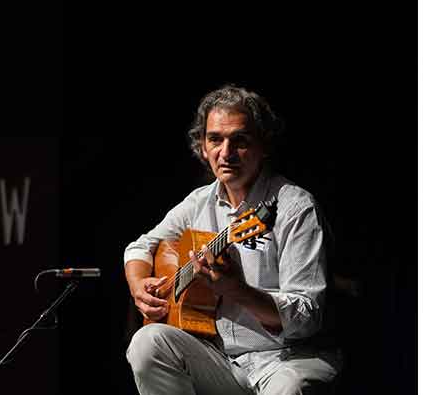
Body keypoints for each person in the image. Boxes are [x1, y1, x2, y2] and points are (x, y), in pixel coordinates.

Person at [124, 85, 342, 395]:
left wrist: (237, 291)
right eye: (215, 139)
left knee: (290, 387)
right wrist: (138, 286)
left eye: (239, 141)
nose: (225, 153)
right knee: (147, 342)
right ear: (203, 147)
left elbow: (307, 317)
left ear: (264, 145)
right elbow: (141, 246)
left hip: (287, 359)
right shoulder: (197, 203)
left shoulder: (295, 207)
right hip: (221, 360)